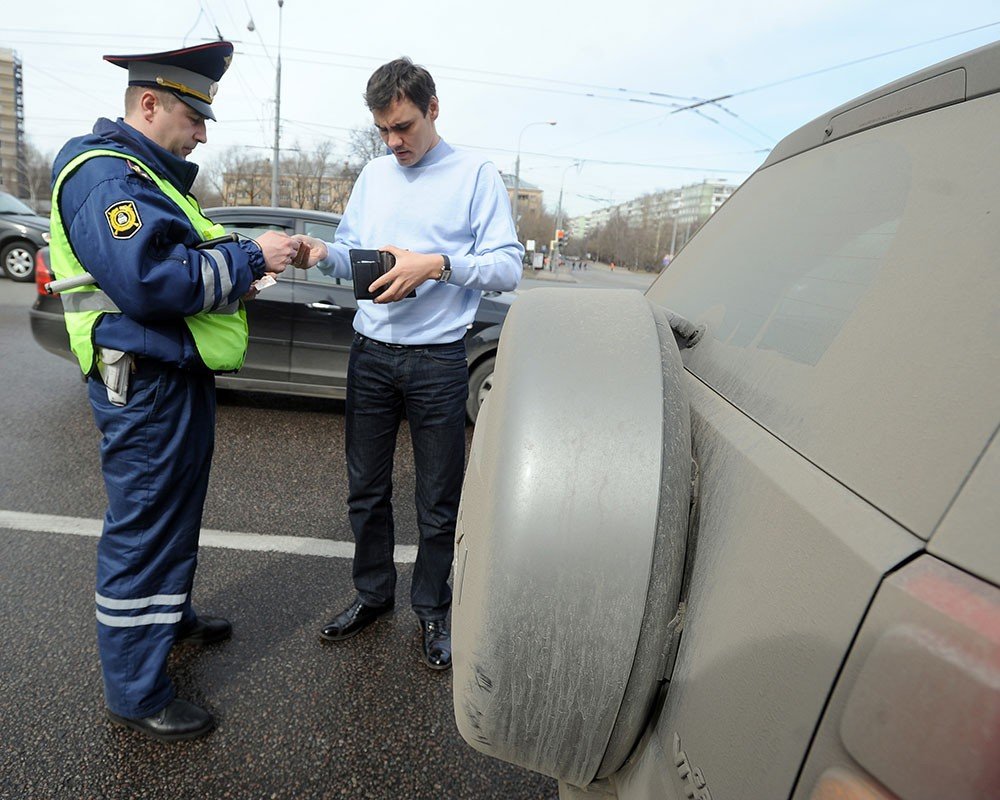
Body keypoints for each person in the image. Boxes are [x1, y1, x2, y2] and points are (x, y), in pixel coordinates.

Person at [49, 41, 302, 742]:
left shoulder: (145, 178)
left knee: (174, 514)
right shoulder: (106, 177)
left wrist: (242, 265)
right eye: (194, 116)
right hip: (147, 380)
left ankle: (170, 619)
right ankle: (134, 689)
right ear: (150, 103)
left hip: (169, 374)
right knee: (144, 531)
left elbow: (180, 261)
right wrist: (252, 256)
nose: (201, 132)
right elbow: (150, 280)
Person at [295, 57, 523, 670]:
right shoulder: (373, 174)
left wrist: (438, 264)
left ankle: (431, 609)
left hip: (439, 361)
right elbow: (351, 253)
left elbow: (508, 266)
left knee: (437, 499)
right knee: (366, 492)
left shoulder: (475, 174)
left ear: (433, 109)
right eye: (384, 131)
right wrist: (323, 253)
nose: (395, 143)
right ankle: (373, 596)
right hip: (370, 354)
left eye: (404, 127)